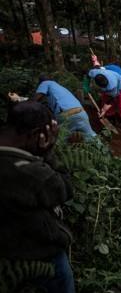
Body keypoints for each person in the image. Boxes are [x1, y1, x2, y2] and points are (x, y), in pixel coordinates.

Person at [0, 101, 75, 293]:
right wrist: (47, 152)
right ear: (35, 135)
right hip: (38, 253)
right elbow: (64, 188)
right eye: (48, 134)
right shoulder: (28, 173)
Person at [34, 76, 98, 142]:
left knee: (60, 141)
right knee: (91, 137)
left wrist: (26, 103)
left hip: (67, 115)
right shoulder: (60, 88)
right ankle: (102, 148)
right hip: (81, 112)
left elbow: (37, 97)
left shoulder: (45, 83)